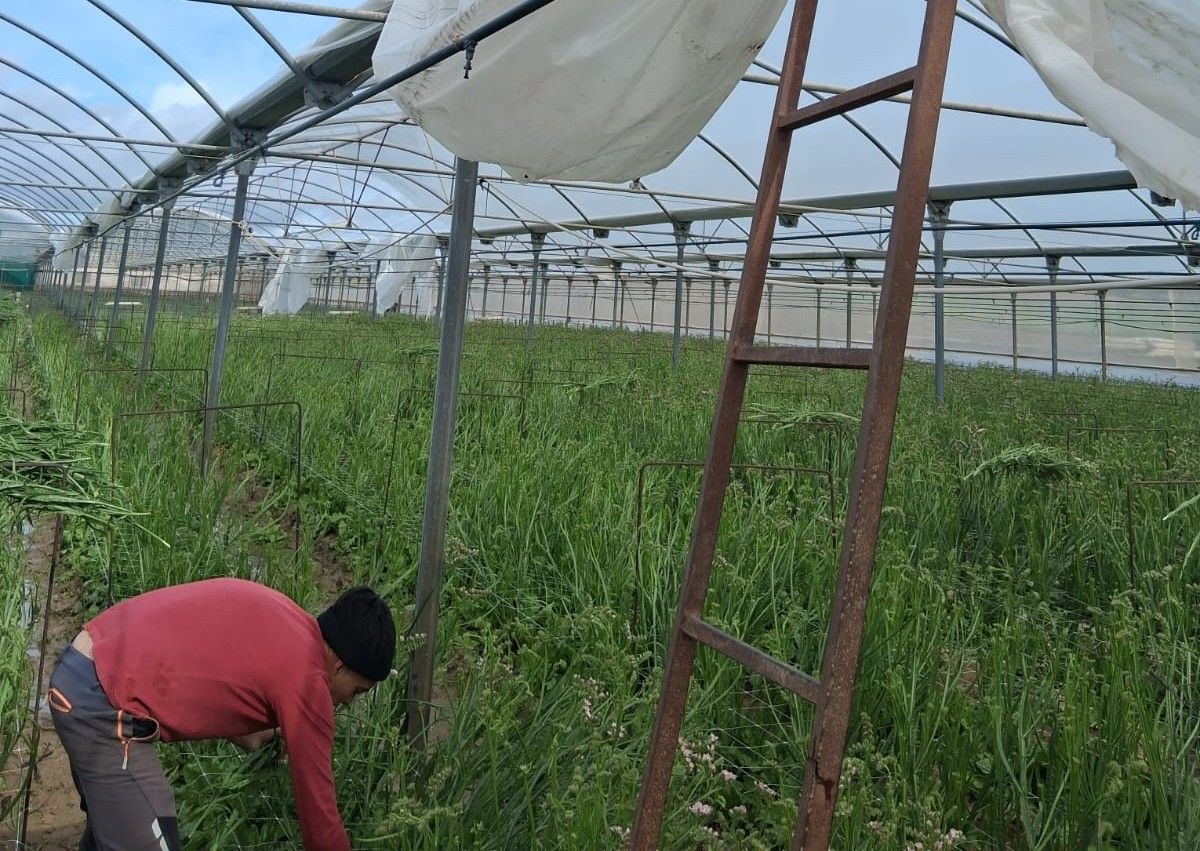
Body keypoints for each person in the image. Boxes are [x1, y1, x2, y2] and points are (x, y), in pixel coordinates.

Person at [46, 578, 396, 851]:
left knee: (119, 829)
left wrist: (247, 730)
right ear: (339, 665)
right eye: (357, 690)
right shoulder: (310, 680)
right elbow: (321, 826)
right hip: (102, 705)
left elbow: (215, 657)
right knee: (152, 832)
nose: (348, 703)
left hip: (84, 669)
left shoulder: (289, 622)